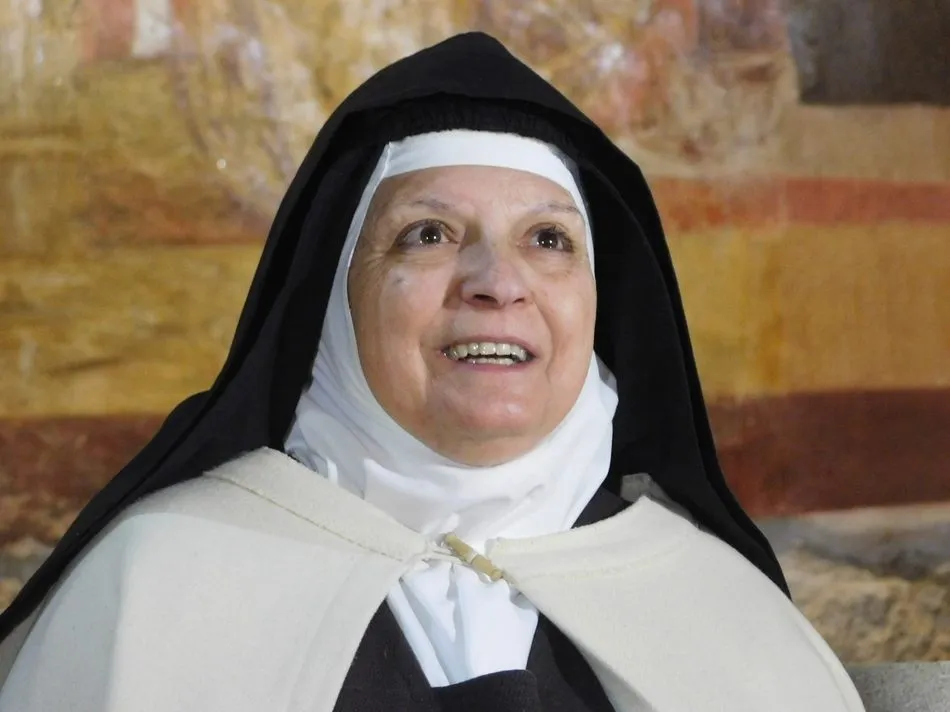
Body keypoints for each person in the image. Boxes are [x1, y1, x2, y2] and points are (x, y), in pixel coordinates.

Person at [0, 33, 866, 711]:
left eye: (549, 239)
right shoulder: (157, 590)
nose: (497, 283)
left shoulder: (721, 610)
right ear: (336, 305)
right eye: (428, 235)